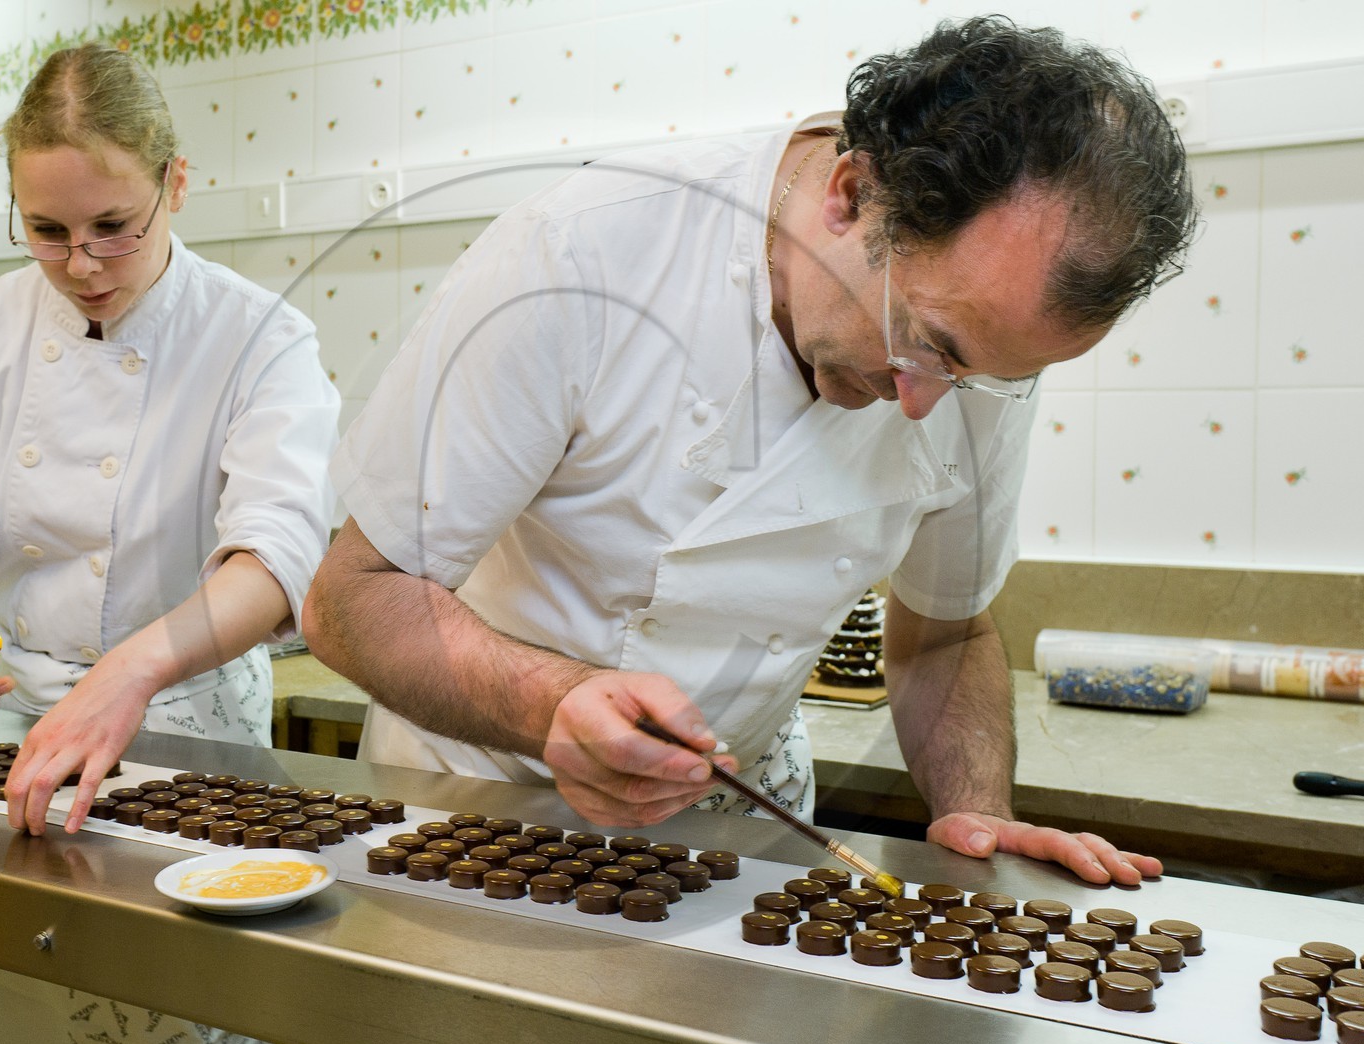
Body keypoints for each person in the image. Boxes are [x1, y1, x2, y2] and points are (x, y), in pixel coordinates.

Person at [303, 16, 1197, 886]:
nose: (926, 405)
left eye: (979, 380)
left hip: (742, 828)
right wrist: (550, 705)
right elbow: (352, 600)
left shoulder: (982, 347)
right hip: (478, 811)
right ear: (848, 195)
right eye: (925, 342)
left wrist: (976, 807)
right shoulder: (586, 253)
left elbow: (943, 636)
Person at [0, 42, 338, 1044]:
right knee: (26, 1020)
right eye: (46, 231)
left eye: (112, 229)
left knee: (181, 1024)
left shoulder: (260, 336)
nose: (80, 264)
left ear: (176, 185)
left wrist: (129, 672)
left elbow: (277, 556)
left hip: (192, 748)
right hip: (28, 754)